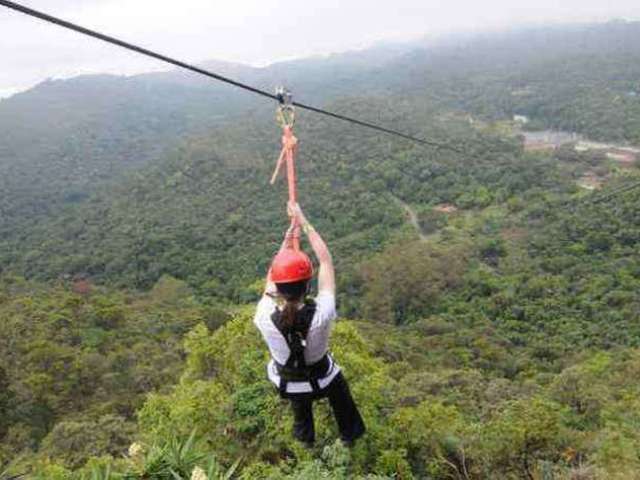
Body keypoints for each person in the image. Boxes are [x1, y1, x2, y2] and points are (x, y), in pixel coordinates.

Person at [253, 202, 365, 447]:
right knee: (337, 383)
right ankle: (349, 433)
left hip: (286, 384)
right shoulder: (323, 313)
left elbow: (273, 276)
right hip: (322, 380)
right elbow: (326, 262)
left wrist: (287, 241)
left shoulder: (263, 314)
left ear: (278, 289)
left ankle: (304, 437)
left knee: (294, 373)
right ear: (307, 285)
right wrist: (303, 223)